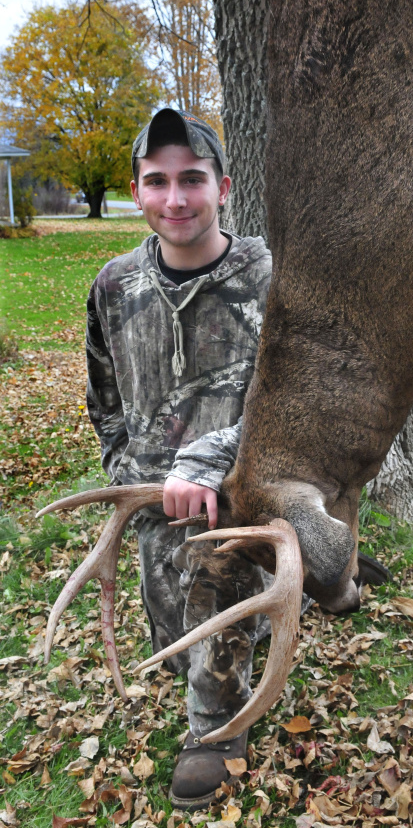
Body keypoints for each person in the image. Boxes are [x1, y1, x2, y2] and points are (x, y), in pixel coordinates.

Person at [85, 107, 273, 810]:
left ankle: (216, 733)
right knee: (172, 630)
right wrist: (127, 471)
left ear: (222, 187)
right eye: (157, 182)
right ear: (136, 191)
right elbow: (103, 393)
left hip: (239, 501)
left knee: (220, 625)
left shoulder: (271, 280)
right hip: (151, 504)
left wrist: (218, 470)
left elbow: (301, 402)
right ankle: (223, 661)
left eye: (192, 179)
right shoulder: (115, 285)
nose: (175, 199)